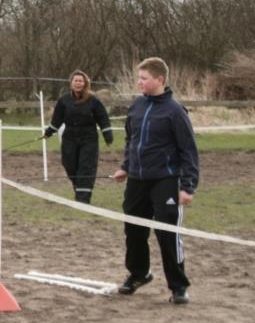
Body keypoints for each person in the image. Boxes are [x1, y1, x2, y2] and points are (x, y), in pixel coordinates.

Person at [112, 57, 199, 305]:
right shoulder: (136, 106)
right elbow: (131, 140)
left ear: (159, 80)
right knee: (134, 229)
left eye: (144, 78)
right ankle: (139, 274)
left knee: (167, 233)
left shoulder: (175, 111)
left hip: (166, 180)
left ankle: (178, 286)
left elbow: (189, 151)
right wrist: (125, 167)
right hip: (138, 180)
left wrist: (188, 186)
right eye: (139, 78)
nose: (139, 82)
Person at [43, 70, 113, 204]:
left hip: (89, 138)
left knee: (85, 167)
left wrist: (107, 135)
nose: (78, 83)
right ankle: (80, 189)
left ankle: (83, 199)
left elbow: (103, 118)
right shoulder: (64, 100)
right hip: (69, 137)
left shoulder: (93, 100)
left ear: (85, 83)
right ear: (71, 83)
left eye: (81, 81)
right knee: (69, 164)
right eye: (76, 81)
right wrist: (48, 132)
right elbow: (57, 119)